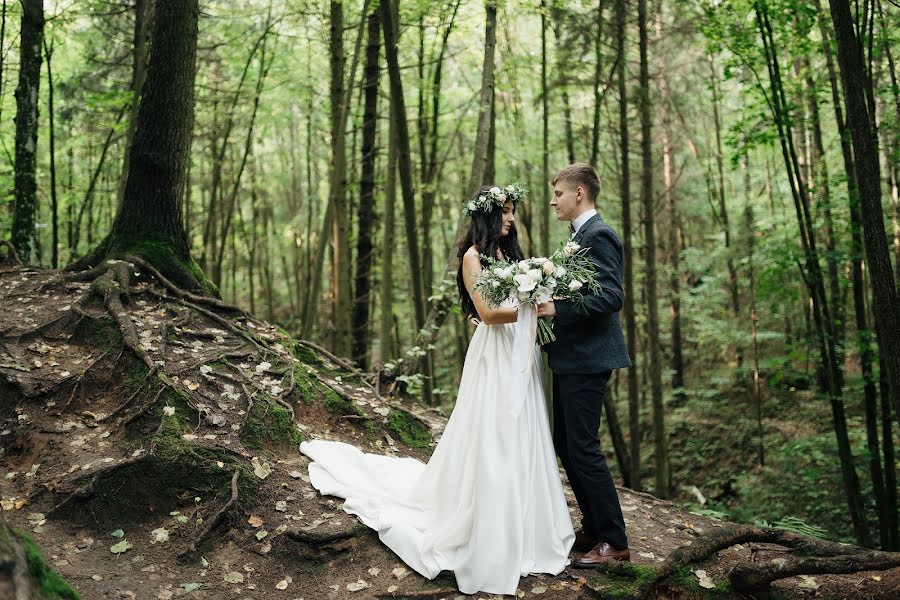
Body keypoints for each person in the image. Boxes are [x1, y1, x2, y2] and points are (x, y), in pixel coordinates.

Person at [299, 185, 574, 596]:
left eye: (512, 213)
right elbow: (485, 312)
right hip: (494, 353)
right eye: (504, 213)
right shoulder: (472, 258)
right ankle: (486, 521)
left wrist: (537, 296)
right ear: (486, 216)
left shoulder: (511, 257)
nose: (511, 220)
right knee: (493, 431)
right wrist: (533, 304)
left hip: (521, 351)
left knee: (524, 429)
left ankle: (527, 522)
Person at [537, 163, 633, 567]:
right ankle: (594, 528)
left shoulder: (600, 235)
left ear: (580, 193)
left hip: (589, 358)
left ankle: (615, 541)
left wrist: (556, 309)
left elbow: (612, 296)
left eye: (558, 193)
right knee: (566, 445)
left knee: (583, 447)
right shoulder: (577, 238)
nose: (553, 200)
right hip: (571, 358)